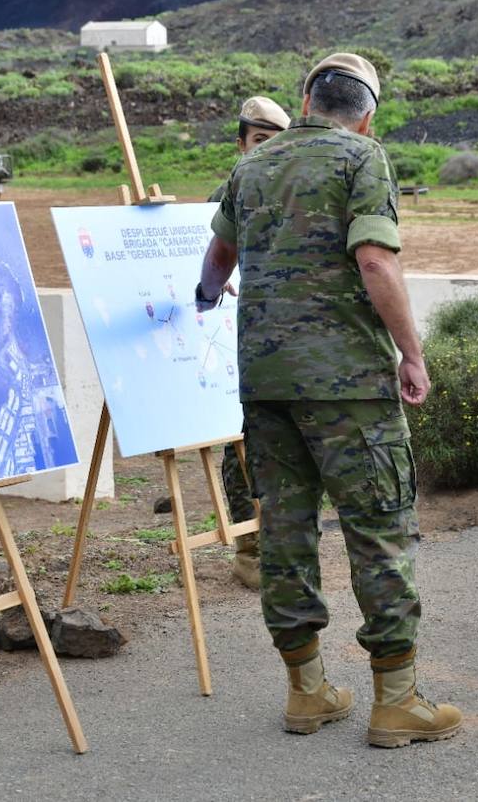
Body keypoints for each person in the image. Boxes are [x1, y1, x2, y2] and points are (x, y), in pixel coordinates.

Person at [197, 53, 461, 747]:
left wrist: (202, 296)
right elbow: (375, 260)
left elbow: (218, 259)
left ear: (306, 99)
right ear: (367, 114)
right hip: (349, 389)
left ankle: (307, 694)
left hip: (267, 384)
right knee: (379, 529)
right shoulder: (362, 158)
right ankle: (397, 702)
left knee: (285, 535)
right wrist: (412, 352)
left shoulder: (252, 165)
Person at [207, 95, 291, 589]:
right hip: (231, 341)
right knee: (239, 445)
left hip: (283, 343)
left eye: (276, 141)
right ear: (241, 143)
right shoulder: (227, 193)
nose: (266, 151)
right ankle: (249, 548)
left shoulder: (295, 190)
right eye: (259, 140)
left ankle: (278, 539)